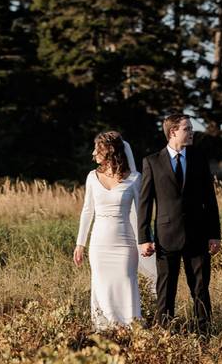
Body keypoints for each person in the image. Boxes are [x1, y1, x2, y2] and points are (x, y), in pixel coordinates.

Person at [137, 114, 221, 333]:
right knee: (166, 290)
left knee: (200, 289)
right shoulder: (151, 162)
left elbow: (210, 200)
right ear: (173, 131)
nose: (192, 132)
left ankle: (204, 334)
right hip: (166, 237)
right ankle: (165, 334)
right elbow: (145, 204)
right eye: (187, 128)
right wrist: (144, 238)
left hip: (198, 235)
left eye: (191, 128)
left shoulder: (199, 158)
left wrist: (214, 234)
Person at [73, 131, 151, 329]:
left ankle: (129, 328)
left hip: (125, 244)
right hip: (99, 245)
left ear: (110, 150)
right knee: (101, 286)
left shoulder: (134, 178)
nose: (93, 153)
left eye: (97, 148)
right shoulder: (92, 177)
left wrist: (145, 240)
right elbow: (87, 210)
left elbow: (143, 213)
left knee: (125, 283)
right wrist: (80, 244)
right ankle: (105, 331)